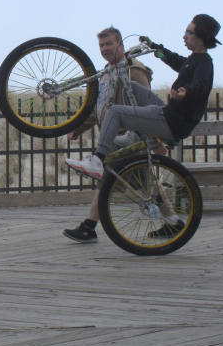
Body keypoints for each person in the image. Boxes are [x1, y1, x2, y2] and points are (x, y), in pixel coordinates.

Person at [66, 14, 221, 234]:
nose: (184, 36)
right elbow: (174, 60)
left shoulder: (204, 63)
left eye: (189, 32)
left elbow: (202, 84)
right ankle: (171, 223)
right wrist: (154, 48)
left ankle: (98, 165)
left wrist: (186, 92)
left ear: (202, 36)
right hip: (164, 115)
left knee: (117, 114)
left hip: (171, 122)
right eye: (101, 45)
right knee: (138, 178)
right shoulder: (192, 60)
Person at [62, 26, 155, 243]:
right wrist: (79, 127)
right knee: (118, 182)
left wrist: (152, 138)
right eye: (101, 45)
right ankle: (89, 227)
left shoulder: (134, 70)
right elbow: (100, 107)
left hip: (131, 138)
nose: (105, 49)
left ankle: (89, 227)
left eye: (109, 44)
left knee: (136, 184)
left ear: (120, 44)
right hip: (112, 139)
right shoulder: (106, 72)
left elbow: (147, 104)